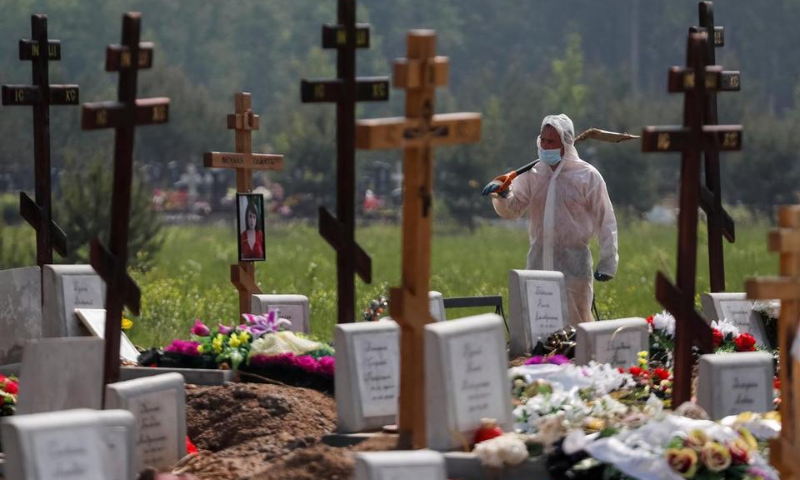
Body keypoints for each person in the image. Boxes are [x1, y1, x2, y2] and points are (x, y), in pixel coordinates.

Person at [490, 114, 618, 326]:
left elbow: (605, 220)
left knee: (575, 331)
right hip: (538, 264)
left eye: (551, 141)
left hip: (574, 268)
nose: (545, 145)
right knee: (538, 329)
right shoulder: (533, 174)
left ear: (565, 144)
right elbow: (513, 210)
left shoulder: (587, 176)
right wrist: (503, 195)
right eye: (543, 140)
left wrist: (608, 262)